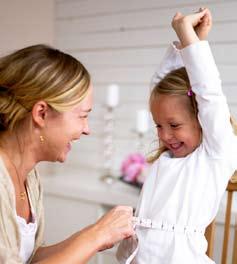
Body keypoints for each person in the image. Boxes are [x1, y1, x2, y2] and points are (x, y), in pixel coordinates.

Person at [117, 8, 237, 264]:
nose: (165, 135)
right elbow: (160, 88)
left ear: (201, 118)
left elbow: (210, 94)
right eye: (159, 126)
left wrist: (187, 34)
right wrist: (189, 43)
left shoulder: (214, 156)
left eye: (174, 125)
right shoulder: (167, 160)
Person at [0, 44, 135, 263]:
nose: (86, 129)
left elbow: (29, 257)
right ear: (42, 114)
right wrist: (96, 235)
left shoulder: (29, 178)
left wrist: (95, 233)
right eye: (82, 116)